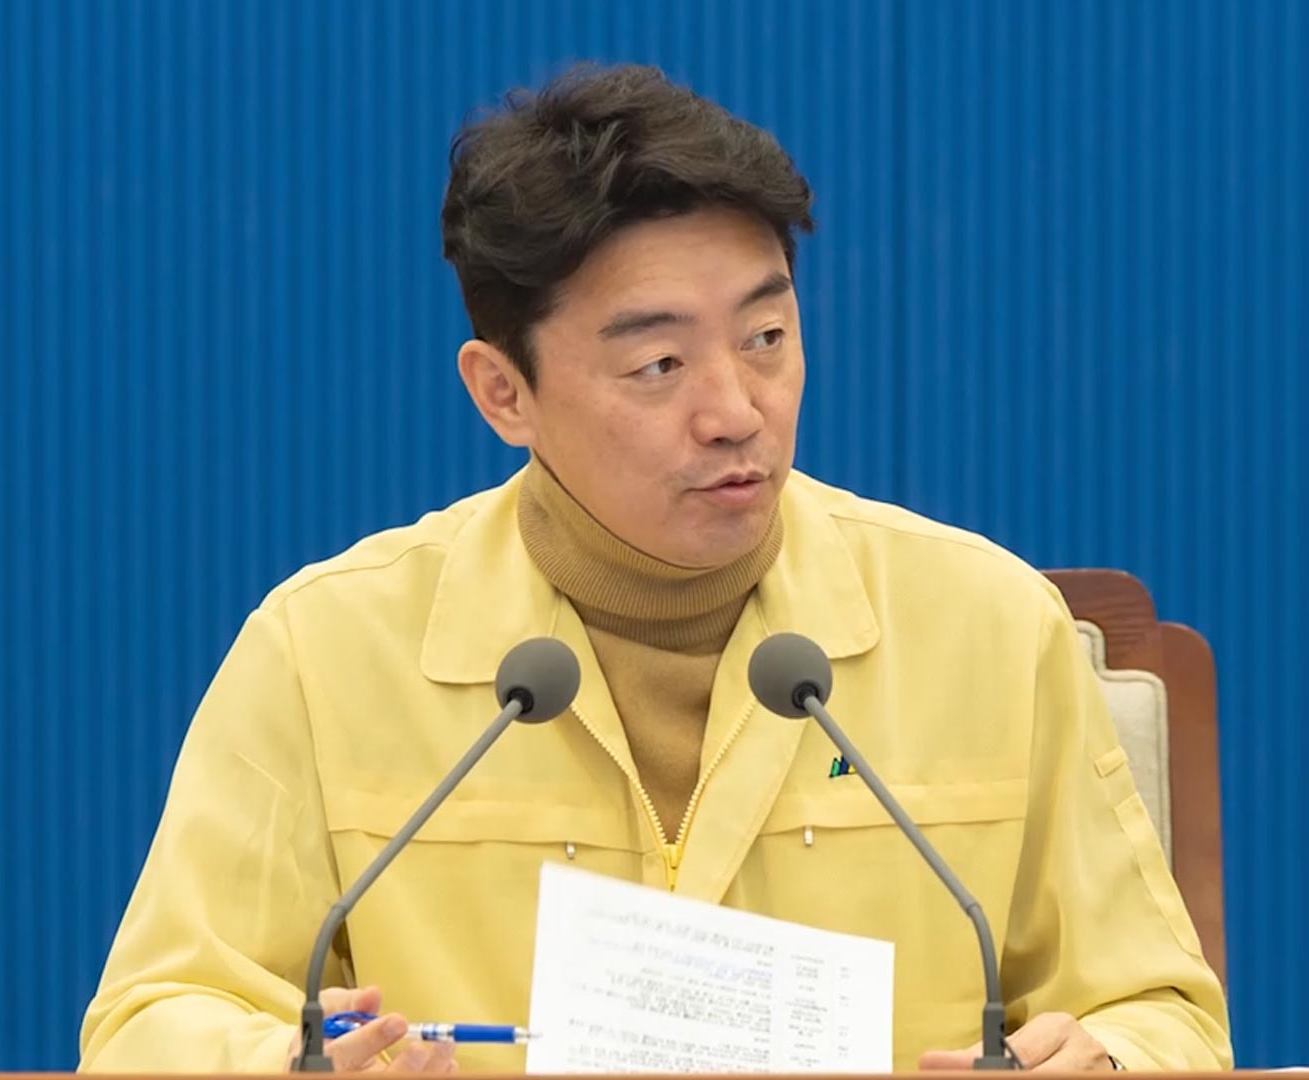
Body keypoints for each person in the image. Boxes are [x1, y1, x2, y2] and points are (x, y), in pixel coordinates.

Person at [80, 63, 1231, 1074]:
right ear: (504, 393)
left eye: (766, 339)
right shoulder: (327, 655)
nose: (736, 411)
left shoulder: (987, 629)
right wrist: (289, 1064)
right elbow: (150, 1023)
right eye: (660, 366)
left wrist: (1105, 1061)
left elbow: (1162, 1013)